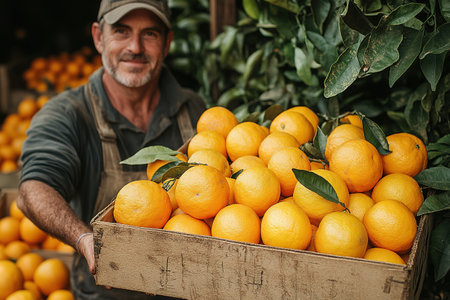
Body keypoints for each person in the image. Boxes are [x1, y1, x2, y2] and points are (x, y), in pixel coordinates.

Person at [17, 0, 206, 298]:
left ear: (167, 43)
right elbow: (33, 189)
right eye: (121, 31)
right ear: (98, 37)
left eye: (150, 34)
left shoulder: (193, 109)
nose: (135, 46)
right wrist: (84, 239)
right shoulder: (67, 114)